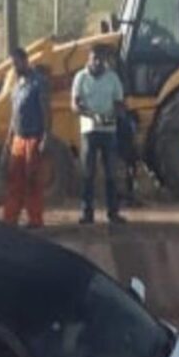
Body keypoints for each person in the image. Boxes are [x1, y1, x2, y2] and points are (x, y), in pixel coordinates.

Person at [72, 45, 127, 224]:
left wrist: (112, 115)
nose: (97, 62)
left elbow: (119, 103)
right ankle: (87, 213)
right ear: (88, 58)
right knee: (88, 173)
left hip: (108, 131)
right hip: (88, 130)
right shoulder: (80, 77)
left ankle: (113, 212)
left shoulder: (113, 78)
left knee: (111, 173)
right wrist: (89, 114)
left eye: (100, 59)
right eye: (94, 58)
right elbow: (74, 104)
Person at [1, 47, 50, 229]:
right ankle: (10, 219)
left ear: (25, 60)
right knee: (14, 180)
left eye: (16, 63)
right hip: (18, 140)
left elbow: (46, 111)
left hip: (34, 138)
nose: (14, 67)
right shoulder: (17, 85)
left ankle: (35, 220)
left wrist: (46, 137)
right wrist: (8, 140)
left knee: (32, 181)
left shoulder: (39, 82)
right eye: (12, 64)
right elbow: (14, 115)